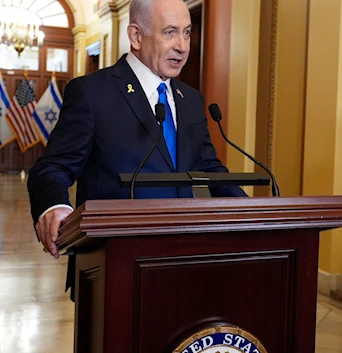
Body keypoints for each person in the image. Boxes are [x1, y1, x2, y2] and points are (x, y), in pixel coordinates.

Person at [27, 0, 246, 297]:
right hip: (112, 266)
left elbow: (208, 167)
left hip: (184, 262)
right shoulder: (92, 93)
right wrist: (54, 207)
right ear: (136, 36)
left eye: (187, 33)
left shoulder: (190, 98)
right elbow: (53, 168)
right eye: (170, 32)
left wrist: (250, 212)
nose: (182, 45)